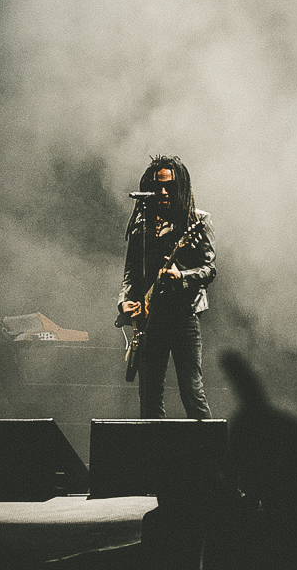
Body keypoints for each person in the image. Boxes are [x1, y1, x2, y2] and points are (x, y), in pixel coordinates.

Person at [117, 155, 216, 419]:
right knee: (149, 395)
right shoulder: (142, 224)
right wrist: (125, 301)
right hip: (151, 319)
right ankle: (154, 446)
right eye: (157, 186)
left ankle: (210, 444)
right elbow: (131, 273)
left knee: (192, 392)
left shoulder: (196, 221)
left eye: (169, 186)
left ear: (180, 187)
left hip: (184, 316)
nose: (162, 192)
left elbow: (209, 269)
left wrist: (181, 276)